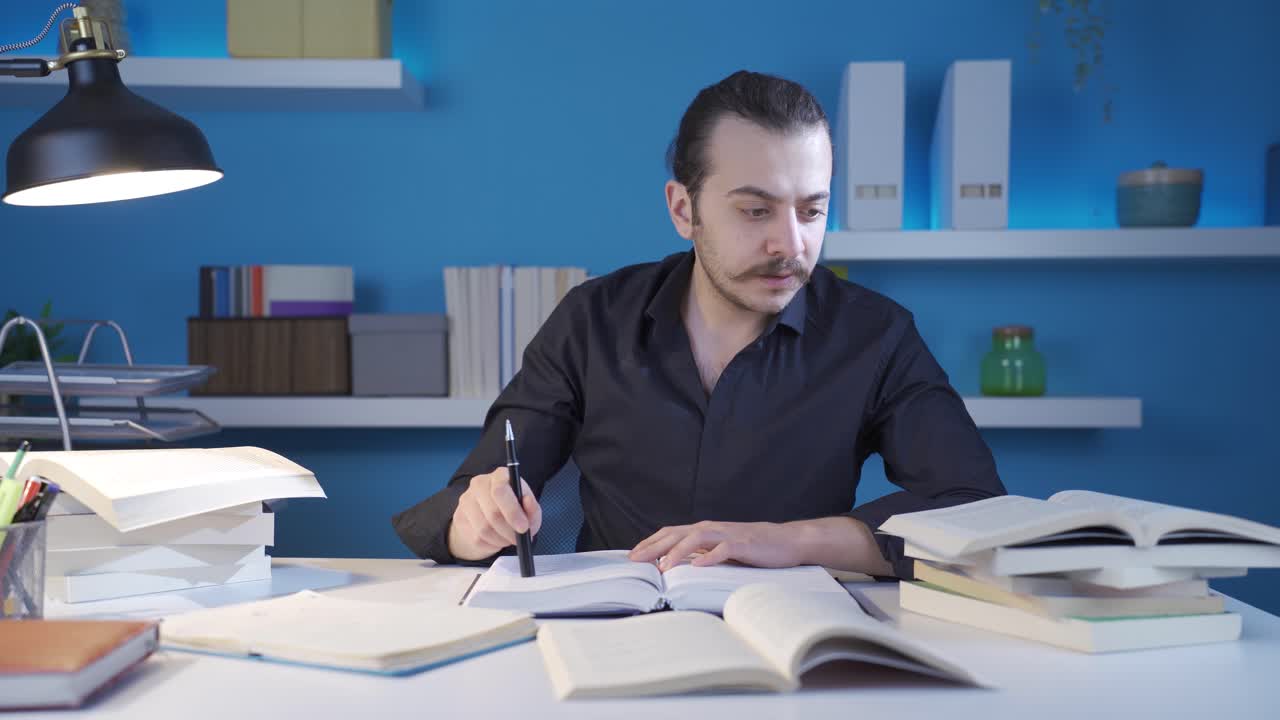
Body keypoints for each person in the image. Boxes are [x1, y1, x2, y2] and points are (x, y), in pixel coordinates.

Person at [392, 70, 1005, 578]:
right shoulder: (592, 319)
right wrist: (475, 522)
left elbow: (971, 507)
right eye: (755, 210)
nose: (789, 244)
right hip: (612, 631)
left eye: (811, 210)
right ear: (684, 210)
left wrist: (791, 541)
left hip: (798, 634)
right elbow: (474, 493)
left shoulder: (877, 334)